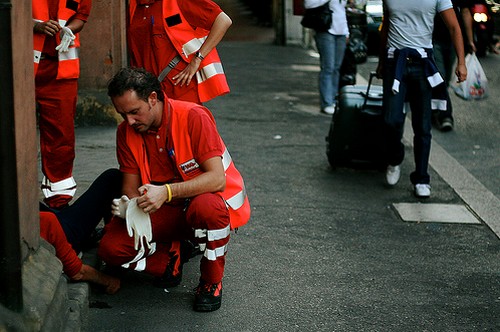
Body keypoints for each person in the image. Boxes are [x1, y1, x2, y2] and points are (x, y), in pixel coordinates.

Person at [98, 68, 250, 312]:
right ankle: (169, 260)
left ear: (153, 99)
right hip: (162, 210)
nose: (129, 121)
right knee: (110, 250)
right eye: (122, 114)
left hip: (199, 206)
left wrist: (166, 192)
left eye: (134, 112)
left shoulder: (193, 116)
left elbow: (216, 180)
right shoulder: (125, 132)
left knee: (208, 208)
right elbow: (130, 188)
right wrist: (129, 206)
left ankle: (211, 282)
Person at [376, 0, 467, 198]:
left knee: (423, 125)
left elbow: (453, 26)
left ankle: (421, 178)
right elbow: (387, 24)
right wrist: (382, 61)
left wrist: (461, 62)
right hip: (395, 61)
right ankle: (395, 157)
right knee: (390, 120)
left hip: (423, 62)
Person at [33, 0, 92, 208]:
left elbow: (81, 17)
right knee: (14, 135)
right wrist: (35, 26)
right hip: (22, 65)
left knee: (61, 137)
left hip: (61, 69)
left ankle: (59, 202)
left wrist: (69, 30)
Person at [127, 0, 232, 104]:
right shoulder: (133, 5)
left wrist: (198, 59)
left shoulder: (180, 2)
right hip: (148, 92)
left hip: (181, 86)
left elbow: (223, 21)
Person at [39, 168, 123, 294]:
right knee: (112, 178)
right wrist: (109, 280)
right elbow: (77, 272)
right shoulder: (45, 221)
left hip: (53, 222)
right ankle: (112, 248)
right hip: (63, 232)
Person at [432, 0, 476, 132]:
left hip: (452, 40)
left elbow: (466, 12)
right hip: (432, 39)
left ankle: (434, 106)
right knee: (440, 76)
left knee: (444, 80)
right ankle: (445, 115)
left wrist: (469, 40)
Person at [304, 0, 349, 115]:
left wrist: (347, 31)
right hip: (326, 29)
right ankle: (326, 102)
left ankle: (333, 99)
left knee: (336, 67)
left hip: (341, 31)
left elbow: (341, 10)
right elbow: (308, 4)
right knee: (328, 67)